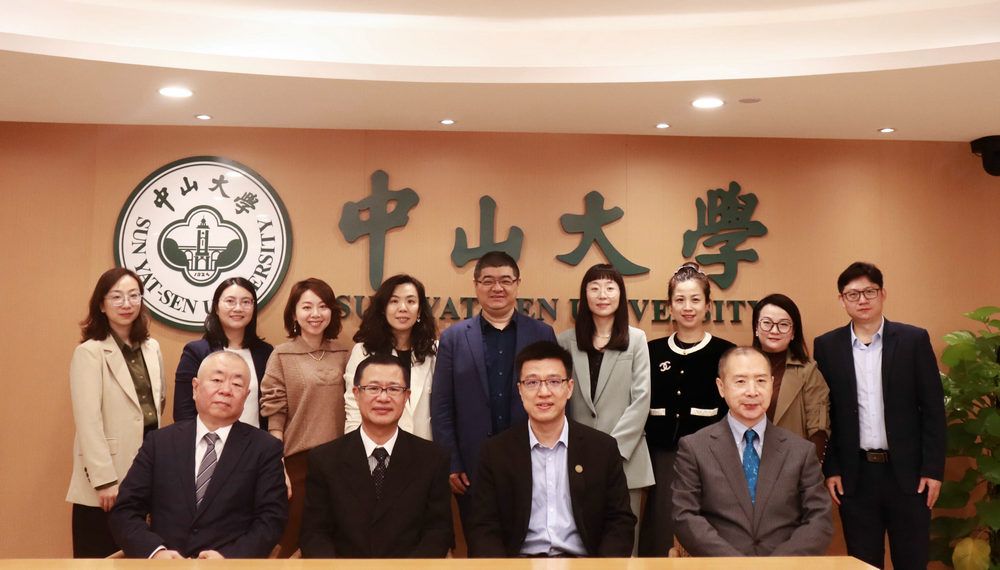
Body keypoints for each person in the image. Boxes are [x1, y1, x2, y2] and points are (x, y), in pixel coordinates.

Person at [813, 262, 946, 570]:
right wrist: (831, 468)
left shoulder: (913, 340)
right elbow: (825, 413)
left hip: (910, 477)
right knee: (863, 563)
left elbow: (933, 409)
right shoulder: (827, 346)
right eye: (853, 294)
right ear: (842, 299)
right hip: (855, 476)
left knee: (912, 561)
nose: (862, 300)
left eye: (870, 292)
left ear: (883, 294)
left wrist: (933, 469)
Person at [110, 351, 287, 559]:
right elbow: (125, 510)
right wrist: (155, 552)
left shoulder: (265, 448)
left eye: (237, 384)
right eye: (217, 380)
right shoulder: (159, 443)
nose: (226, 390)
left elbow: (271, 520)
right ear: (195, 388)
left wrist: (229, 559)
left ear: (246, 396)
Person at [469, 341, 636, 557]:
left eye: (554, 381)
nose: (544, 392)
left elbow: (620, 522)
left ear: (569, 388)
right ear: (520, 390)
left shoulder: (602, 449)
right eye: (532, 382)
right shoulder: (495, 452)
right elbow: (483, 526)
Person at [431, 251, 557, 533]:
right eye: (488, 281)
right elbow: (442, 406)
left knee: (532, 540)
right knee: (480, 543)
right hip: (472, 465)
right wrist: (451, 461)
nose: (497, 288)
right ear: (476, 286)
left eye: (505, 280)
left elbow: (556, 400)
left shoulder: (541, 333)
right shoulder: (453, 338)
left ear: (517, 284)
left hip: (532, 459)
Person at [672, 346, 832, 556]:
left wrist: (777, 565)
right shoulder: (695, 448)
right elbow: (685, 516)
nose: (752, 391)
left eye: (761, 380)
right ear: (721, 387)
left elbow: (819, 519)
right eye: (740, 381)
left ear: (772, 384)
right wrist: (736, 564)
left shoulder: (800, 451)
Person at [300, 353, 452, 558]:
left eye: (394, 389)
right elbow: (315, 533)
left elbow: (438, 532)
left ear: (407, 396)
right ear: (356, 393)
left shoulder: (433, 458)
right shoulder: (324, 459)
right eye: (373, 388)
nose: (383, 397)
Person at [66, 267, 165, 558]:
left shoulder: (152, 348)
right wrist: (104, 480)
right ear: (101, 304)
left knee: (137, 555)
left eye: (134, 296)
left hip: (145, 467)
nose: (126, 304)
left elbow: (157, 403)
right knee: (99, 557)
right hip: (106, 478)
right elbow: (88, 422)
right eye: (117, 297)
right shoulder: (90, 352)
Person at [638, 262, 734, 557]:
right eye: (680, 300)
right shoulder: (651, 351)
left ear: (708, 305)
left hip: (712, 461)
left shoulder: (725, 352)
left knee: (705, 537)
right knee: (660, 533)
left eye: (695, 299)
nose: (687, 307)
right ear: (670, 306)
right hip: (661, 459)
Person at [557, 263, 652, 551]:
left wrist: (611, 450)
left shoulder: (636, 339)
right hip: (575, 457)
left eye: (610, 288)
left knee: (624, 546)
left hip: (625, 459)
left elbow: (641, 399)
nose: (602, 294)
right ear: (584, 294)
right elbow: (560, 399)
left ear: (620, 294)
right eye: (595, 287)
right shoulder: (565, 341)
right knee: (578, 542)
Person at [260, 277, 349, 558]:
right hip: (298, 462)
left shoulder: (344, 354)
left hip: (340, 462)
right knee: (291, 540)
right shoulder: (281, 355)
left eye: (323, 306)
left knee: (334, 541)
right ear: (294, 314)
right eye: (307, 307)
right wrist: (278, 465)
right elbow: (275, 414)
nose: (315, 314)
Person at [344, 274, 438, 440]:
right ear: (383, 308)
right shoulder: (363, 351)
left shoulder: (434, 351)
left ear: (419, 310)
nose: (403, 308)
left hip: (424, 446)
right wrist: (356, 449)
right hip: (377, 446)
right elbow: (354, 407)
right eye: (394, 301)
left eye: (410, 301)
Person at [174, 277, 273, 429]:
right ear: (216, 307)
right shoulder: (196, 352)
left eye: (246, 302)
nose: (238, 308)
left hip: (255, 441)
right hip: (208, 441)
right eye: (230, 301)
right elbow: (183, 411)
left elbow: (271, 407)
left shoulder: (265, 353)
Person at [750, 293, 830, 459]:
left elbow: (818, 430)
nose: (774, 330)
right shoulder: (739, 366)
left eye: (784, 325)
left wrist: (807, 468)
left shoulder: (808, 372)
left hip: (792, 463)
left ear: (793, 332)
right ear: (756, 328)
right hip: (745, 461)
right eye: (767, 323)